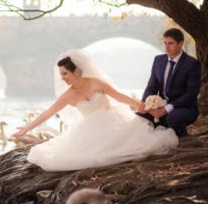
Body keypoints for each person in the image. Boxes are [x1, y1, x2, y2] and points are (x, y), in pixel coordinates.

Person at [12, 50, 178, 172]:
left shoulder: (96, 83)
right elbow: (48, 112)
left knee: (135, 144)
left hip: (113, 121)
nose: (62, 78)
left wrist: (141, 104)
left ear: (76, 72)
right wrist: (27, 128)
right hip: (91, 128)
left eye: (65, 73)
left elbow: (119, 96)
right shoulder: (68, 95)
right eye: (61, 74)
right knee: (80, 156)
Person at [137, 28, 201, 137]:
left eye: (170, 43)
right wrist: (145, 103)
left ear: (180, 44)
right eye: (165, 43)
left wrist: (166, 109)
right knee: (139, 117)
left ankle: (182, 138)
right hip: (160, 105)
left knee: (172, 118)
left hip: (184, 107)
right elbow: (152, 87)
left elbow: (191, 94)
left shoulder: (192, 64)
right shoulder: (158, 60)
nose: (166, 47)